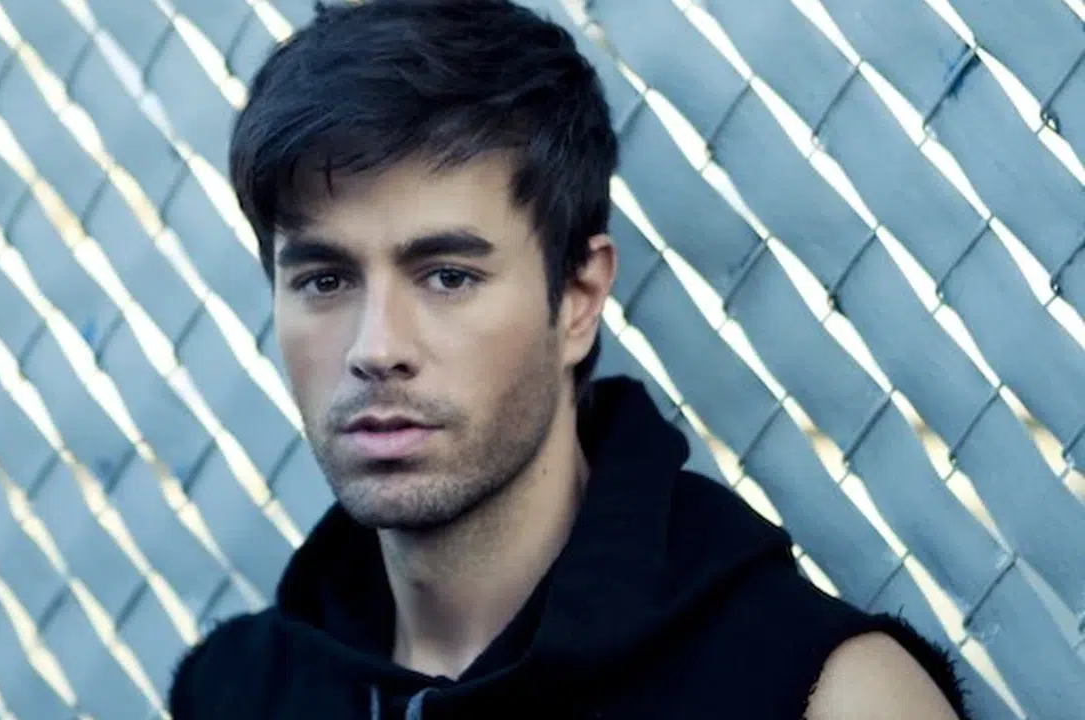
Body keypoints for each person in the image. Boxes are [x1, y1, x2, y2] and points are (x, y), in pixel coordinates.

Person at [167, 1, 970, 717]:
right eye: (326, 279)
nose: (376, 349)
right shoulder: (236, 691)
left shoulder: (823, 696)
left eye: (448, 276)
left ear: (579, 299)